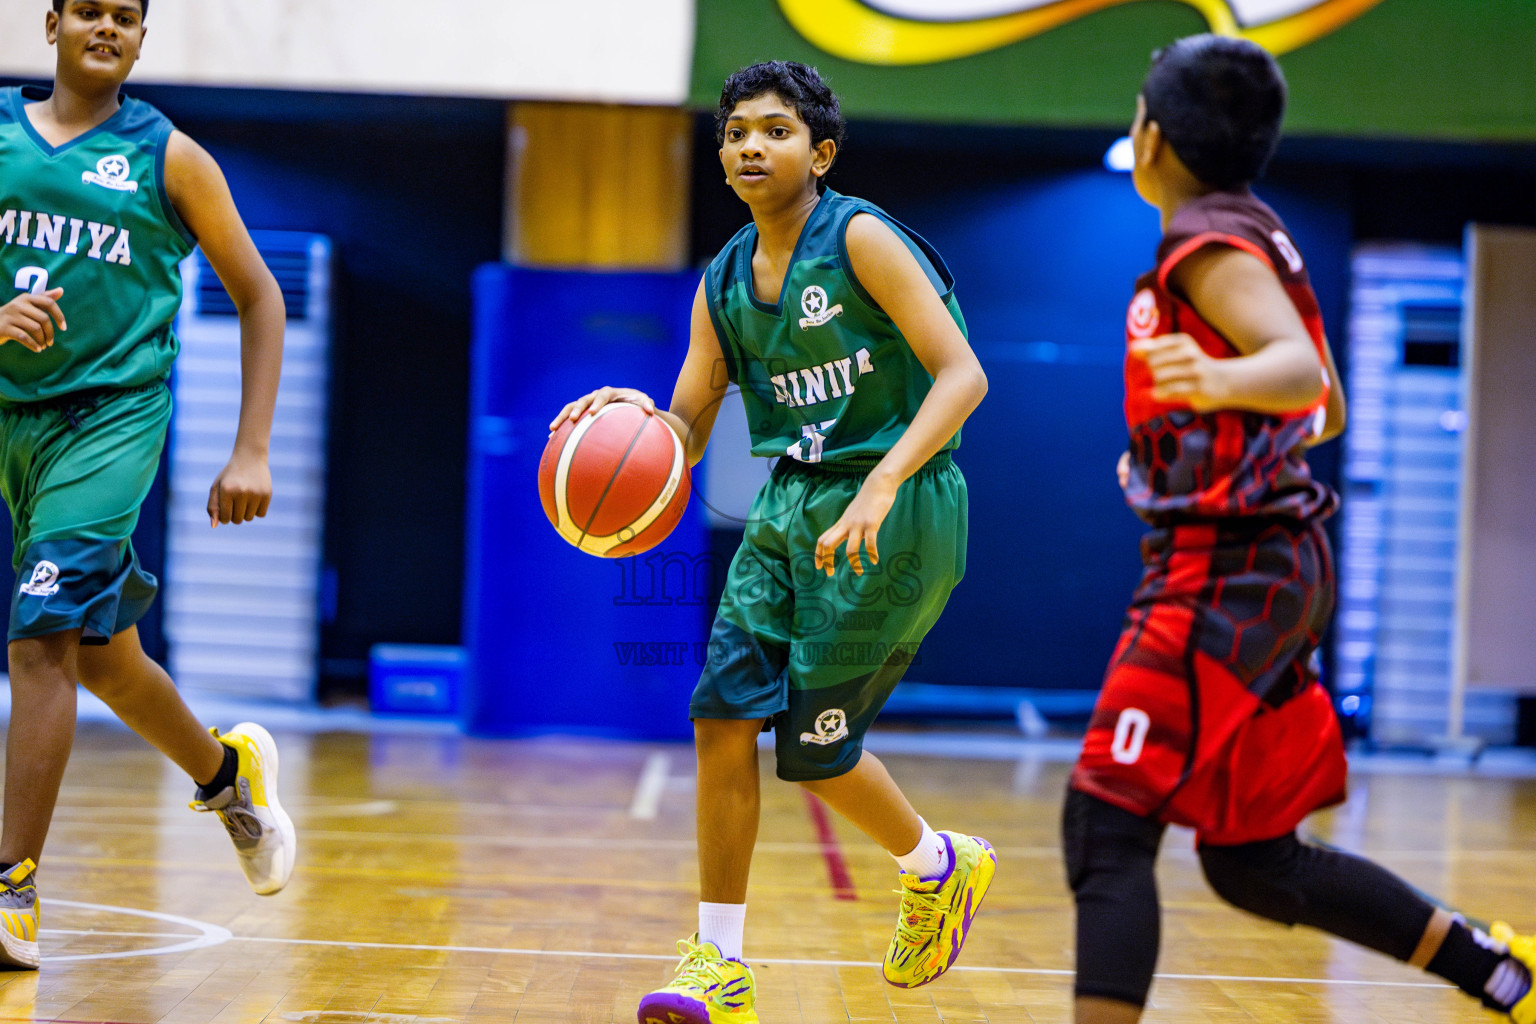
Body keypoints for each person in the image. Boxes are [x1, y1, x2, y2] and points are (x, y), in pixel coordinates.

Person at [1061, 33, 1534, 1024]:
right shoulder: (1256, 231)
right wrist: (1174, 458)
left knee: (1108, 821)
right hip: (1270, 568)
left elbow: (1302, 379)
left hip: (1227, 577)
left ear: (1150, 136)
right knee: (1250, 860)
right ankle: (1493, 967)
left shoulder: (1207, 248)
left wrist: (1223, 380)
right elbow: (1328, 416)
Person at [552, 60, 994, 1024]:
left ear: (819, 152)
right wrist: (618, 420)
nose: (753, 145)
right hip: (789, 505)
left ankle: (939, 864)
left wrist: (883, 481)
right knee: (720, 720)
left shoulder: (862, 238)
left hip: (901, 503)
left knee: (815, 753)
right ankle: (719, 962)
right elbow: (684, 429)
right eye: (737, 132)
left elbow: (964, 377)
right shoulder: (721, 279)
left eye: (777, 130)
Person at [0, 0, 295, 969]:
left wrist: (251, 448)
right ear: (50, 24)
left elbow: (259, 292)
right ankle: (229, 774)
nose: (107, 27)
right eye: (88, 9)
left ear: (140, 37)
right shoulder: (2, 133)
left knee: (41, 642)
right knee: (102, 657)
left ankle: (11, 889)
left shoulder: (169, 157)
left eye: (125, 16)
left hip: (112, 422)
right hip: (17, 423)